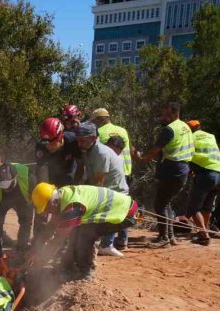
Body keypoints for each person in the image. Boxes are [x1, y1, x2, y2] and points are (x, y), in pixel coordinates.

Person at [31, 183, 139, 282]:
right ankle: (68, 266)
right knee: (77, 231)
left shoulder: (72, 206)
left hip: (124, 213)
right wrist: (37, 247)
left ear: (53, 202)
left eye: (46, 209)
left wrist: (40, 261)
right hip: (122, 208)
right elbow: (51, 226)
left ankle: (86, 272)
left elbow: (58, 239)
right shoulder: (62, 195)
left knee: (84, 235)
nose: (47, 212)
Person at [134, 101, 194, 248]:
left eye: (166, 113)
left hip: (172, 169)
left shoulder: (169, 129)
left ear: (175, 113)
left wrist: (142, 157)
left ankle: (164, 238)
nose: (163, 116)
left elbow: (155, 149)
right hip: (183, 168)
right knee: (165, 203)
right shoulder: (185, 127)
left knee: (159, 204)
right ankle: (170, 236)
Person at [76, 121, 130, 257]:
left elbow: (98, 184)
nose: (79, 143)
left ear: (93, 138)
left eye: (82, 140)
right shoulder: (87, 150)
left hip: (116, 191)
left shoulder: (101, 153)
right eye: (78, 140)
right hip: (105, 188)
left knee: (109, 216)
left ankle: (106, 245)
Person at [0, 163, 35, 259]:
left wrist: (37, 245)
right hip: (2, 201)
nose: (6, 190)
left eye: (8, 186)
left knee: (26, 221)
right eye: (3, 187)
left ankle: (21, 250)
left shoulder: (29, 178)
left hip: (22, 197)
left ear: (15, 179)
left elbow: (40, 209)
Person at [186, 120, 220, 245]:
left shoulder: (190, 137)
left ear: (189, 129)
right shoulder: (211, 136)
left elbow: (187, 155)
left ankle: (204, 235)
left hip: (206, 174)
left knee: (193, 208)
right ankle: (204, 232)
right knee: (207, 207)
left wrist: (189, 170)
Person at [91, 108, 133, 181]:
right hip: (126, 172)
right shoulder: (123, 130)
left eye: (94, 120)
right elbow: (130, 149)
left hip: (110, 174)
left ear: (101, 119)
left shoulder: (98, 132)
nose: (93, 123)